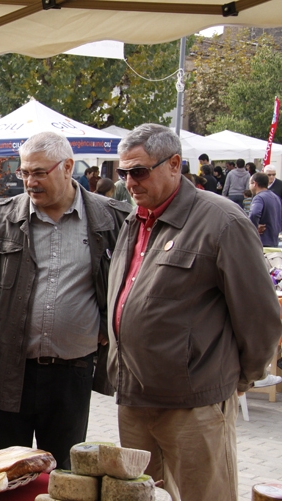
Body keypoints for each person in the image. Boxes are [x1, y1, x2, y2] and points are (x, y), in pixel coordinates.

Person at [108, 124, 281, 501]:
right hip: (134, 399)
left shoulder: (223, 221)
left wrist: (237, 381)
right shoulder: (133, 220)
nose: (129, 182)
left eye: (138, 171)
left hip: (195, 404)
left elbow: (261, 318)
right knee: (142, 498)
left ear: (174, 164)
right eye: (122, 173)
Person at [0, 131, 132, 469]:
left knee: (64, 476)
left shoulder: (112, 218)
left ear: (68, 167)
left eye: (39, 172)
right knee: (4, 471)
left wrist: (106, 321)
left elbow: (129, 283)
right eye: (24, 172)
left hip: (73, 372)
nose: (29, 182)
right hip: (9, 369)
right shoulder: (0, 218)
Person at [249, 172, 282, 247]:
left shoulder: (259, 197)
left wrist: (253, 228)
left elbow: (254, 213)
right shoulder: (276, 197)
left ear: (255, 183)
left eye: (250, 184)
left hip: (261, 241)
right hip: (274, 240)